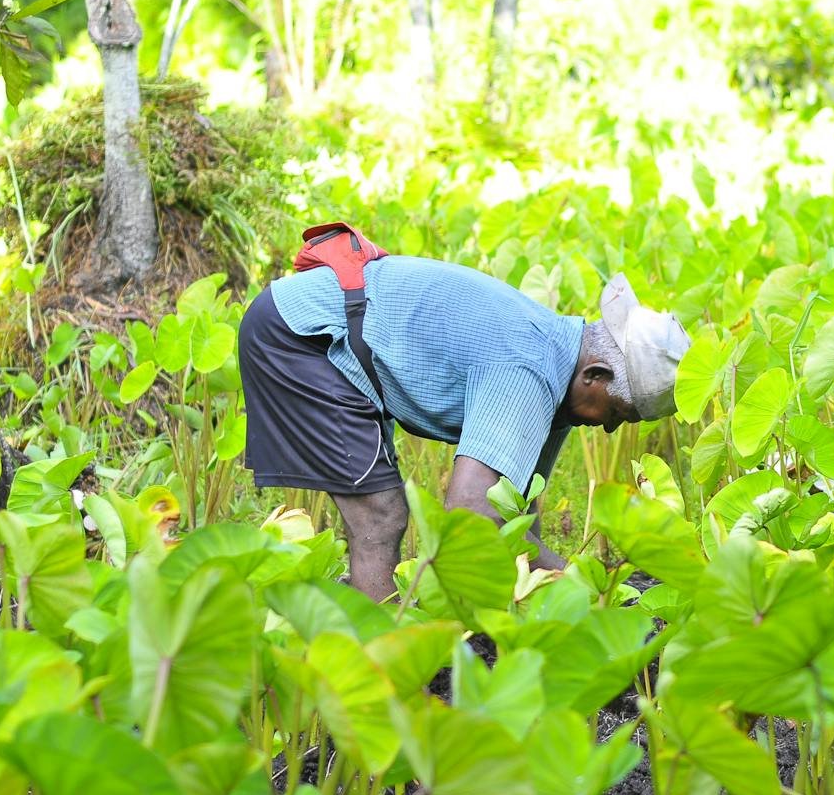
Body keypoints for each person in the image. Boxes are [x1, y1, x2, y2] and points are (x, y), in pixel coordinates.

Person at [237, 244, 689, 602]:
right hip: (302, 336)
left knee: (383, 512)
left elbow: (513, 517)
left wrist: (580, 589)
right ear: (596, 376)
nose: (610, 430)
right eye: (617, 414)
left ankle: (365, 624)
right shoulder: (530, 368)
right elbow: (471, 511)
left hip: (333, 333)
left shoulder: (560, 374)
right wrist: (578, 583)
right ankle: (383, 668)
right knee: (382, 514)